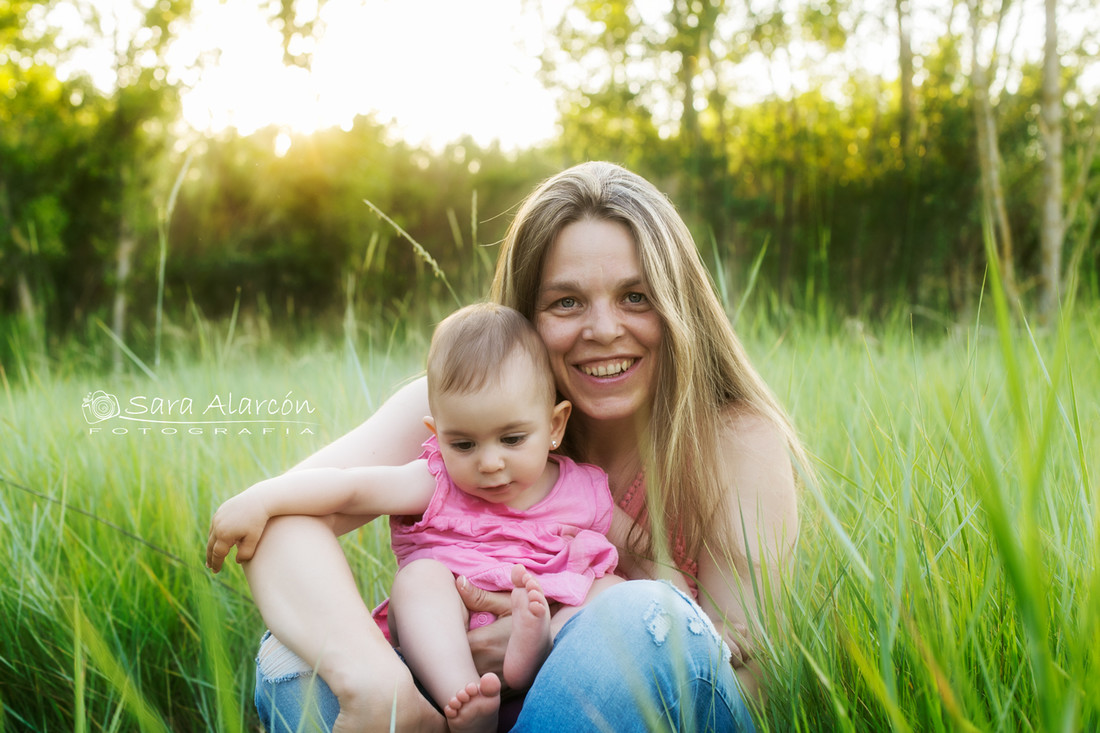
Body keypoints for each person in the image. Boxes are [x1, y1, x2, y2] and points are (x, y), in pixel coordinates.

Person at [234, 161, 805, 733]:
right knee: (294, 661)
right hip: (461, 700)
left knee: (635, 614)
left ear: (679, 305)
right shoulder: (461, 414)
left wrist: (557, 646)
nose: (604, 329)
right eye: (567, 302)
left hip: (637, 707)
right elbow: (275, 525)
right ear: (525, 315)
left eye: (636, 297)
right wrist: (380, 681)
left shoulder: (735, 440)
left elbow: (749, 685)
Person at [207, 303, 621, 733]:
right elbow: (352, 487)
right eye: (463, 445)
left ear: (555, 425)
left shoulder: (584, 490)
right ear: (436, 434)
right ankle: (464, 699)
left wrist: (566, 613)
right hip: (447, 637)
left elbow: (645, 565)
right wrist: (264, 497)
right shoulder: (437, 482)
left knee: (609, 587)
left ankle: (534, 648)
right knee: (420, 577)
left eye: (512, 439)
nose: (489, 463)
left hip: (545, 626)